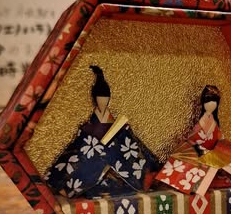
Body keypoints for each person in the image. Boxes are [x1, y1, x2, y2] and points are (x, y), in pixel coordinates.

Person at [45, 65, 160, 197]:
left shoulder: (111, 119)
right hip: (92, 164)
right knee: (87, 156)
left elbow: (124, 141)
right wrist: (94, 143)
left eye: (105, 98)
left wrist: (120, 134)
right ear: (94, 99)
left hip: (114, 166)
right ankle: (66, 185)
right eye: (100, 98)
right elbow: (83, 143)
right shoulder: (90, 121)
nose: (103, 102)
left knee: (121, 149)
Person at [156, 85, 231, 196]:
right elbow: (193, 139)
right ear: (203, 102)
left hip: (212, 152)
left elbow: (219, 139)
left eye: (214, 102)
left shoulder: (214, 121)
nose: (211, 105)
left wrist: (220, 144)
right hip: (197, 153)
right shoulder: (202, 120)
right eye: (208, 101)